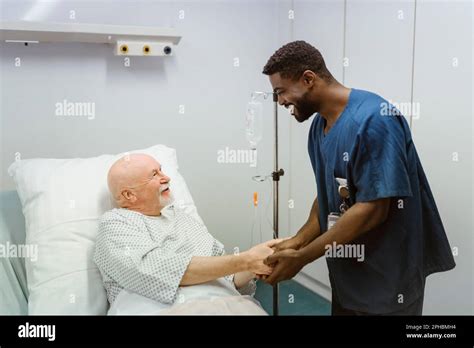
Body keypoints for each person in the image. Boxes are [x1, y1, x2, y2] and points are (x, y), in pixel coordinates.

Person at [260, 40, 456, 315]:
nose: (280, 101)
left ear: (308, 79)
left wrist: (302, 257)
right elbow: (329, 194)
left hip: (387, 281)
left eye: (281, 92)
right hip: (348, 277)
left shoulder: (375, 120)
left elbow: (372, 209)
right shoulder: (319, 126)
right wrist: (298, 240)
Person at [93, 153, 278, 314]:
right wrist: (245, 260)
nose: (166, 178)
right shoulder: (116, 223)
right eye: (154, 175)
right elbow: (155, 271)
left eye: (161, 170)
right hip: (158, 309)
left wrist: (258, 263)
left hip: (223, 303)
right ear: (129, 196)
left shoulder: (181, 218)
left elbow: (227, 277)